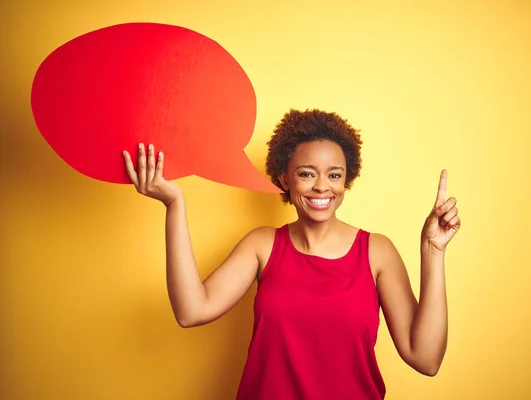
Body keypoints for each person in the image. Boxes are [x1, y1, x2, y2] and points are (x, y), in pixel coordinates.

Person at [123, 109, 461, 400]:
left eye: (334, 175)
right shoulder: (262, 245)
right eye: (306, 174)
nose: (321, 187)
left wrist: (432, 251)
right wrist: (174, 203)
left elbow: (426, 359)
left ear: (347, 181)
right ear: (285, 179)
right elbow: (191, 311)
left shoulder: (376, 252)